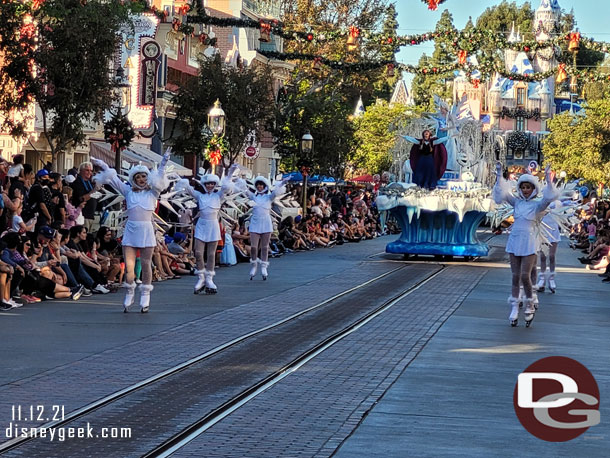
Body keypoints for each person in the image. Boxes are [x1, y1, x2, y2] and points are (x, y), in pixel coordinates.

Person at [91, 148, 171, 312]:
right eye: (138, 177)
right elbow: (113, 179)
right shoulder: (128, 191)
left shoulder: (152, 193)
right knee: (129, 265)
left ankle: (146, 295)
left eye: (144, 176)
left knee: (147, 264)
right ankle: (129, 292)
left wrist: (163, 163)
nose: (141, 179)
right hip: (131, 229)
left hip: (147, 230)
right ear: (133, 179)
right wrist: (103, 165)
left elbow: (159, 180)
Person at [493, 162, 558, 327]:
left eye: (528, 187)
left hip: (529, 242)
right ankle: (514, 306)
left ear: (533, 188)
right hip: (515, 240)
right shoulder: (517, 203)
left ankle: (529, 302)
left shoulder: (537, 205)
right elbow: (502, 193)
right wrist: (499, 174)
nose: (525, 190)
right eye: (523, 187)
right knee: (515, 276)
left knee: (525, 275)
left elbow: (549, 198)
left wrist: (549, 180)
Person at [176, 165, 238, 294]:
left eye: (212, 183)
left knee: (211, 254)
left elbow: (226, 187)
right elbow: (188, 189)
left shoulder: (218, 196)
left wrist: (230, 172)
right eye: (208, 183)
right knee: (198, 253)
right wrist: (180, 179)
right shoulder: (200, 196)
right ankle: (201, 277)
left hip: (213, 225)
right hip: (201, 225)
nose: (210, 186)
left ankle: (209, 279)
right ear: (204, 184)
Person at [239, 176, 287, 280]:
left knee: (265, 247)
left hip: (266, 222)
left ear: (264, 186)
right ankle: (254, 264)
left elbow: (275, 193)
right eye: (258, 185)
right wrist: (238, 180)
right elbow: (245, 191)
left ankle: (264, 266)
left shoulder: (268, 197)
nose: (259, 187)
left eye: (261, 185)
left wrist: (282, 183)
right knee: (254, 247)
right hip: (255, 222)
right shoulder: (254, 197)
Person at [70, 162, 97, 232]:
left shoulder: (90, 182)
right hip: (82, 216)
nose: (89, 172)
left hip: (91, 215)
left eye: (91, 171)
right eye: (87, 170)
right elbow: (82, 198)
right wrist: (94, 191)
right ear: (81, 171)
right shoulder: (77, 183)